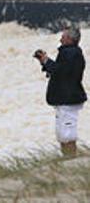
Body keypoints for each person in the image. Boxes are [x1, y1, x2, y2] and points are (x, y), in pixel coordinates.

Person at [34, 26, 87, 157]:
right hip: (66, 98)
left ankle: (70, 159)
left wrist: (46, 61)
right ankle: (68, 158)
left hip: (68, 99)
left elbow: (60, 72)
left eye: (63, 37)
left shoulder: (70, 53)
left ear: (69, 39)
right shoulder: (71, 52)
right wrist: (45, 62)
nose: (61, 39)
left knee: (67, 133)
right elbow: (61, 71)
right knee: (63, 132)